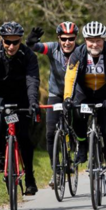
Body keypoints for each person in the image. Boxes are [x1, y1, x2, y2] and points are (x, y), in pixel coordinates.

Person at [0, 21, 40, 195]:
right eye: (8, 42)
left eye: (16, 42)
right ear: (1, 39)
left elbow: (32, 81)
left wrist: (33, 103)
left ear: (21, 40)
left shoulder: (28, 56)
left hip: (22, 97)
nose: (12, 46)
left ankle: (30, 178)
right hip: (0, 96)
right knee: (2, 119)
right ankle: (0, 157)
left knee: (23, 137)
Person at [63, 21, 106, 196]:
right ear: (85, 40)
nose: (94, 44)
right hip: (84, 93)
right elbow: (70, 77)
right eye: (90, 40)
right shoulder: (77, 54)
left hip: (105, 96)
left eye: (98, 40)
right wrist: (67, 98)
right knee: (78, 117)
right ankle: (82, 145)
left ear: (103, 40)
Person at [26, 22, 79, 188]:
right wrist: (30, 42)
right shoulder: (53, 48)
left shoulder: (81, 51)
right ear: (59, 38)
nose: (67, 42)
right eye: (64, 39)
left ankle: (73, 151)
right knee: (50, 133)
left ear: (75, 38)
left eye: (71, 39)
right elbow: (35, 47)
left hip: (76, 94)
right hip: (56, 94)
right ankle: (56, 171)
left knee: (76, 125)